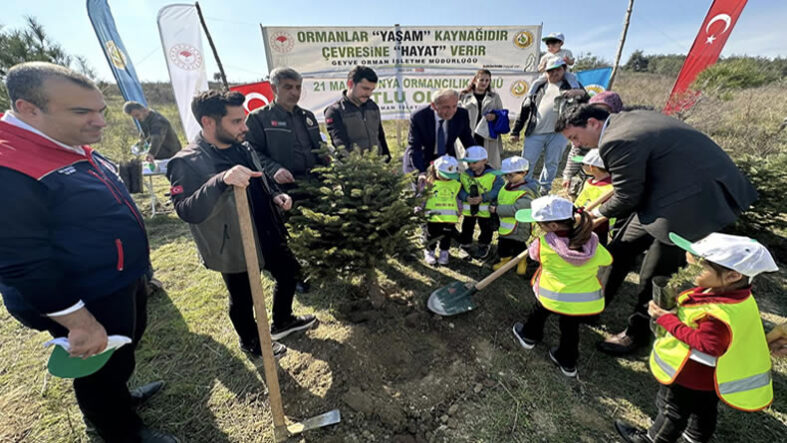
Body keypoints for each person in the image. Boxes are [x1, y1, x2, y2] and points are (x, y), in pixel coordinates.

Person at [0, 62, 177, 442]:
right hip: (82, 293)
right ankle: (116, 429)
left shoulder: (66, 142)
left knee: (121, 349)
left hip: (119, 278)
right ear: (28, 108)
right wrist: (78, 322)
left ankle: (118, 398)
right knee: (98, 364)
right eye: (82, 112)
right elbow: (22, 263)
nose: (99, 122)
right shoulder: (10, 165)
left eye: (101, 110)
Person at [556, 104, 759, 356]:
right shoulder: (625, 121)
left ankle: (637, 333)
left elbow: (627, 197)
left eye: (575, 137)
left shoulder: (616, 138)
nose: (578, 145)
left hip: (692, 202)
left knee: (655, 272)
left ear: (593, 123)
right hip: (665, 195)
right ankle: (592, 306)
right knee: (617, 250)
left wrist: (593, 215)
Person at [166, 90, 316, 358]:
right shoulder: (187, 161)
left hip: (266, 229)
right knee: (243, 298)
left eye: (243, 119)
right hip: (231, 243)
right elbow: (186, 210)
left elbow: (259, 179)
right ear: (209, 122)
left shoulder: (243, 146)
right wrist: (220, 180)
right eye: (236, 121)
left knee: (289, 273)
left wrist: (275, 194)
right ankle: (251, 342)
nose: (244, 127)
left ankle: (282, 322)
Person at [615, 232, 777, 443]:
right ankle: (695, 437)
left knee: (671, 409)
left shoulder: (717, 313)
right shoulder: (737, 295)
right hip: (711, 376)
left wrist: (666, 320)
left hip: (690, 373)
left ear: (733, 276)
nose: (688, 270)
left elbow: (708, 344)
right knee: (704, 408)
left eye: (697, 267)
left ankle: (652, 440)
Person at [511, 196, 612, 378]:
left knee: (538, 313)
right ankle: (567, 362)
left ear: (553, 227)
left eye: (540, 224)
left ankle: (529, 336)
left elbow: (534, 256)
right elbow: (607, 259)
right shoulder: (593, 242)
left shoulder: (544, 244)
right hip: (580, 300)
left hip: (553, 295)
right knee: (570, 329)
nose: (539, 227)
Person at [511, 59, 588, 195]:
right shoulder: (538, 87)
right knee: (527, 162)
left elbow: (587, 102)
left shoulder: (572, 85)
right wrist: (516, 130)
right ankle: (524, 189)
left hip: (560, 133)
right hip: (535, 131)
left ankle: (544, 190)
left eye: (558, 69)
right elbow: (524, 109)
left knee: (552, 163)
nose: (554, 73)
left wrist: (579, 93)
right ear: (545, 72)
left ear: (564, 69)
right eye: (550, 70)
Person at [245, 67, 327, 193]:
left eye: (298, 87)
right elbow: (250, 151)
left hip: (316, 186)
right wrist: (274, 169)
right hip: (282, 190)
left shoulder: (307, 116)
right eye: (288, 87)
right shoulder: (258, 118)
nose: (294, 92)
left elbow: (319, 147)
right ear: (274, 88)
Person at [403, 88, 475, 178]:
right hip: (421, 159)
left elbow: (467, 139)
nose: (451, 111)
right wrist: (421, 173)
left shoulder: (461, 115)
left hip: (446, 160)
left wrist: (478, 160)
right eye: (446, 107)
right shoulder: (419, 117)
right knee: (424, 190)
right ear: (434, 106)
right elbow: (415, 147)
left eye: (454, 106)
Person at [562, 91, 623, 196]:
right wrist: (568, 175)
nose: (599, 114)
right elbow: (575, 152)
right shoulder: (583, 131)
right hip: (588, 175)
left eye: (604, 110)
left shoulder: (620, 136)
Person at [324, 66, 390, 161]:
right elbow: (340, 146)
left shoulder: (373, 107)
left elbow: (380, 138)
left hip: (378, 168)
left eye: (372, 90)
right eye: (365, 88)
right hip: (353, 171)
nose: (368, 94)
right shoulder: (335, 111)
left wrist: (388, 163)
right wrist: (356, 169)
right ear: (350, 84)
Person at [489, 156, 538, 274]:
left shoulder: (526, 192)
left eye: (511, 175)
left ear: (524, 173)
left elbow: (517, 209)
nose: (508, 178)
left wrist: (497, 209)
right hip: (507, 226)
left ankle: (522, 260)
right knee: (506, 244)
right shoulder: (507, 186)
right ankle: (507, 259)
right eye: (506, 175)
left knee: (517, 245)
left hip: (519, 227)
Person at [458, 146, 504, 259]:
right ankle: (465, 245)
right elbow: (460, 189)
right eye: (468, 163)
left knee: (486, 228)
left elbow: (498, 189)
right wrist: (465, 197)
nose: (471, 166)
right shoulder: (464, 175)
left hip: (486, 210)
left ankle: (484, 245)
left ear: (485, 161)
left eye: (474, 162)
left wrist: (483, 198)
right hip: (469, 210)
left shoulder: (494, 175)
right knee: (467, 227)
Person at [459, 69, 505, 168]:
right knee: (468, 163)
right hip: (468, 134)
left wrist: (495, 116)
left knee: (488, 163)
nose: (484, 83)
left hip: (487, 136)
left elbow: (501, 114)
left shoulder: (494, 97)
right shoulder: (464, 96)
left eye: (487, 80)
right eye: (482, 80)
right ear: (475, 80)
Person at [422, 155, 462, 266]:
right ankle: (430, 251)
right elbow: (423, 197)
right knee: (431, 235)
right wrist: (419, 207)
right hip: (433, 217)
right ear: (435, 170)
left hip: (449, 218)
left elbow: (456, 198)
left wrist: (459, 210)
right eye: (444, 175)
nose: (447, 178)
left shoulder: (455, 184)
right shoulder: (429, 183)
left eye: (450, 176)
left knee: (446, 236)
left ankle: (444, 252)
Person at [572, 149, 614, 245]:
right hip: (581, 221)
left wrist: (595, 222)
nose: (582, 166)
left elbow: (609, 210)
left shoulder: (610, 187)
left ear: (591, 167)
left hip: (597, 227)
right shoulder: (589, 182)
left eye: (583, 164)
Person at [528, 32, 578, 97]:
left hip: (563, 74)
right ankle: (529, 96)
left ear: (561, 43)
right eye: (548, 44)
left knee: (571, 77)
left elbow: (572, 62)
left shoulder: (566, 52)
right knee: (536, 82)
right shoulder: (545, 56)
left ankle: (576, 91)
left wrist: (568, 61)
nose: (550, 46)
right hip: (549, 75)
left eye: (553, 44)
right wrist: (543, 66)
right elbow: (539, 69)